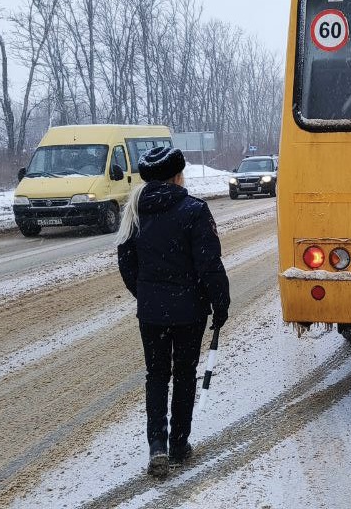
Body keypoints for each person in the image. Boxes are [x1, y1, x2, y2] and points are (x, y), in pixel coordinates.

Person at [116, 146, 231, 477]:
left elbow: (126, 261)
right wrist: (219, 303)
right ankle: (179, 444)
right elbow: (209, 263)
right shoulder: (194, 210)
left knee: (156, 376)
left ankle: (157, 447)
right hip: (189, 312)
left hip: (151, 312)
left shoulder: (135, 210)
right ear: (178, 175)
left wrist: (146, 293)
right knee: (183, 375)